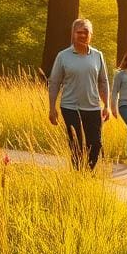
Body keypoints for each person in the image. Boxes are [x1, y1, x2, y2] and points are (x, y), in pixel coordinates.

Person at [48, 18, 111, 169]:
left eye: (86, 32)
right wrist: (52, 108)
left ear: (91, 35)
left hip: (93, 106)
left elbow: (103, 81)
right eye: (79, 32)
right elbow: (54, 82)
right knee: (76, 144)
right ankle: (78, 174)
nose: (82, 35)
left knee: (95, 144)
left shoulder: (97, 55)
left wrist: (107, 105)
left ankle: (87, 173)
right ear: (73, 34)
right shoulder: (63, 56)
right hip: (70, 106)